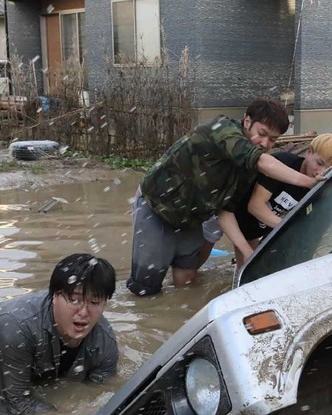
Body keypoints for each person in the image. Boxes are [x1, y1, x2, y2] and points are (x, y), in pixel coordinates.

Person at [127, 98, 321, 296]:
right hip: (157, 206)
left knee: (186, 279)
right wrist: (308, 181)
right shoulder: (222, 130)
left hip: (192, 217)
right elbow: (261, 161)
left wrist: (248, 253)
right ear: (247, 121)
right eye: (262, 134)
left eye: (272, 140)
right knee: (145, 289)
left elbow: (225, 211)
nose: (265, 143)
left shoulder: (248, 169)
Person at [0, 253, 118, 415]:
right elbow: (18, 402)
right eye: (74, 300)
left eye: (94, 302)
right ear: (54, 296)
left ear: (104, 303)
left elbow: (100, 391)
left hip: (38, 367)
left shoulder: (105, 342)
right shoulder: (15, 327)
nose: (83, 312)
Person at [214, 133, 332, 265]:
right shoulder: (283, 164)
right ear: (309, 152)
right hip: (225, 212)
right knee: (195, 262)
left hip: (253, 229)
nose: (320, 172)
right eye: (319, 163)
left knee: (250, 271)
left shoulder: (321, 185)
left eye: (328, 168)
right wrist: (289, 227)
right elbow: (255, 207)